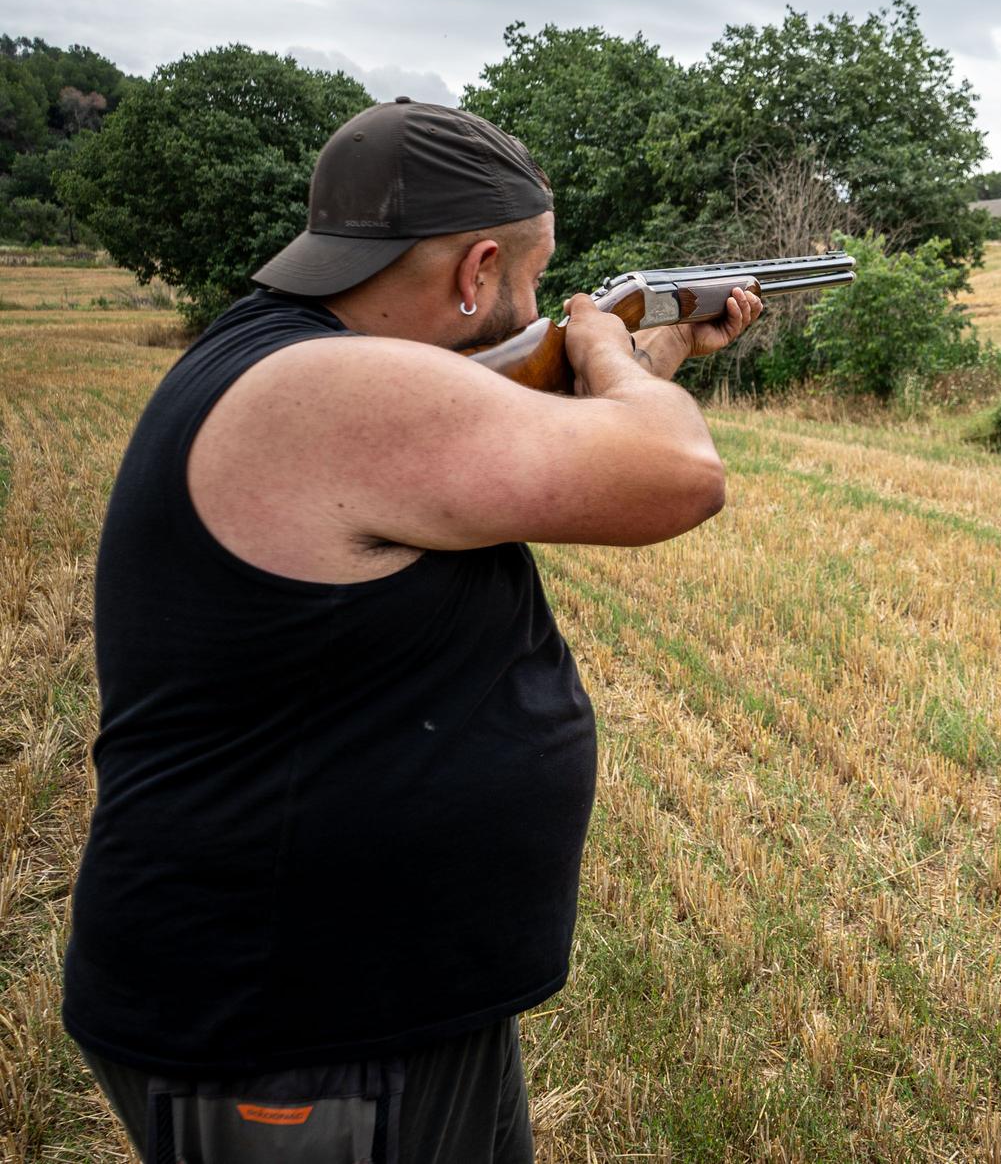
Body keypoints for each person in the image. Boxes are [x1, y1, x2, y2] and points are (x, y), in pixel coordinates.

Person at [63, 98, 761, 1162]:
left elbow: (519, 434)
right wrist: (607, 352)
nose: (535, 308)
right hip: (294, 1032)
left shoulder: (289, 359)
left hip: (370, 1004)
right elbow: (677, 476)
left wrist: (647, 353)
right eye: (531, 281)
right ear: (477, 270)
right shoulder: (327, 387)